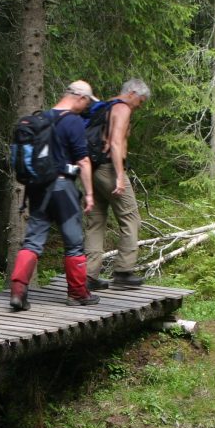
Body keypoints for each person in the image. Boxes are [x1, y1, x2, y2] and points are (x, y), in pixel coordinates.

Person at [8, 80, 97, 311]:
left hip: (38, 188)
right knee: (74, 242)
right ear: (79, 97)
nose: (86, 106)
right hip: (63, 189)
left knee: (33, 241)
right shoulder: (73, 121)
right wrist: (89, 194)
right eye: (87, 101)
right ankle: (78, 294)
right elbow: (83, 160)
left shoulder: (43, 118)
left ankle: (18, 292)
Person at [85, 78, 151, 291]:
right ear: (132, 93)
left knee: (96, 221)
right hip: (109, 169)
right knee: (131, 217)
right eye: (140, 101)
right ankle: (123, 272)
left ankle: (88, 275)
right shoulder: (122, 108)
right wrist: (120, 175)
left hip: (92, 169)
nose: (139, 106)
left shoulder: (105, 107)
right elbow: (115, 142)